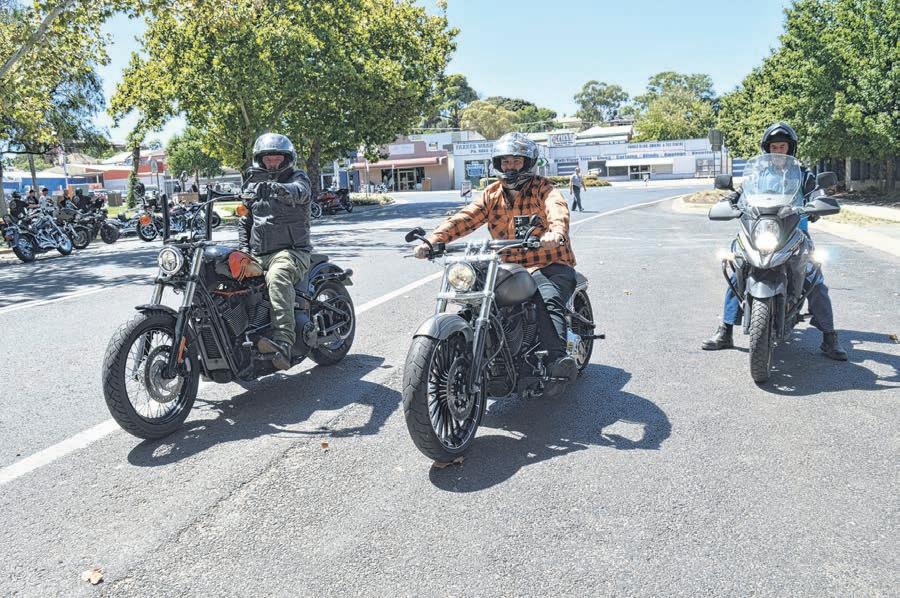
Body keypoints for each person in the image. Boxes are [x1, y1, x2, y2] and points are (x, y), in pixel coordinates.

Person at [414, 132, 578, 393]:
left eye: (516, 161)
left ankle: (557, 360)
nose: (510, 167)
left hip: (548, 262)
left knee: (547, 298)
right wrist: (433, 240)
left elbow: (556, 208)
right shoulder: (492, 194)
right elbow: (465, 218)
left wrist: (556, 233)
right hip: (508, 267)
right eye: (505, 161)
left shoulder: (543, 189)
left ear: (528, 163)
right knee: (478, 297)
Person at [701, 122, 847, 360]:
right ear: (767, 149)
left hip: (794, 231)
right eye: (774, 147)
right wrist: (728, 201)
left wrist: (817, 205)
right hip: (760, 230)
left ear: (790, 148)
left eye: (782, 147)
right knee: (738, 268)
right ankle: (726, 330)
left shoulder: (803, 174)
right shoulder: (757, 175)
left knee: (814, 277)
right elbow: (740, 193)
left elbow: (816, 194)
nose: (778, 151)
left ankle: (829, 337)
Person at [238, 133, 313, 370]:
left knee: (277, 276)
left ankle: (283, 342)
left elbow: (300, 191)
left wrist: (277, 188)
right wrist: (243, 251)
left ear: (287, 159)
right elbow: (245, 221)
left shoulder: (297, 177)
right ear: (260, 160)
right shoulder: (252, 184)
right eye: (268, 159)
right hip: (258, 253)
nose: (272, 163)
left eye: (277, 158)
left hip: (291, 252)